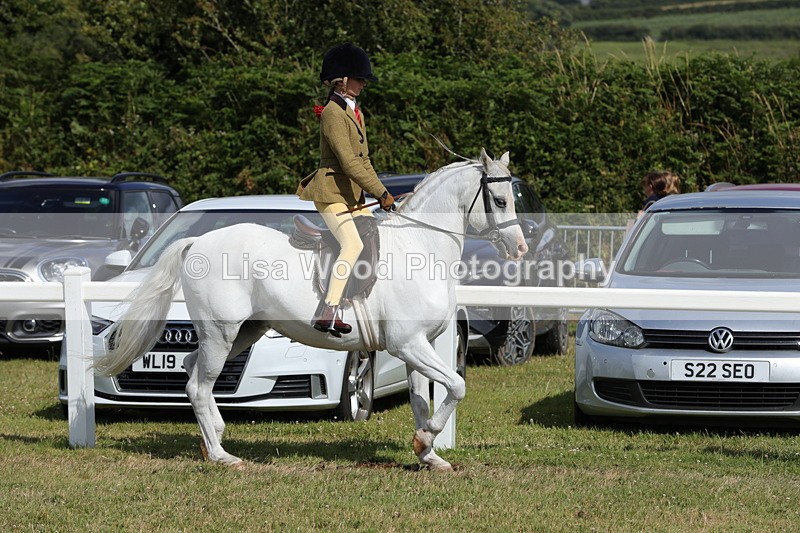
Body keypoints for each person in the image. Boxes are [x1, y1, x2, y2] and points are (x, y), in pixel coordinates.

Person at [297, 43, 395, 336]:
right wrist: (380, 192)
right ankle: (328, 309)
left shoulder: (355, 111)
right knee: (353, 244)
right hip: (331, 194)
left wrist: (381, 191)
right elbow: (349, 162)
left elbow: (364, 161)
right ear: (342, 80)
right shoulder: (332, 113)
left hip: (351, 195)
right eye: (359, 78)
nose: (364, 83)